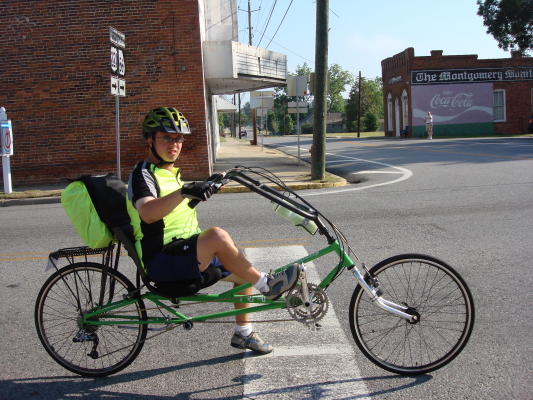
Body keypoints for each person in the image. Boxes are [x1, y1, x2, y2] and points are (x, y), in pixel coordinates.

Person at [126, 107, 300, 355]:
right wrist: (185, 191)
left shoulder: (171, 173)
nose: (174, 144)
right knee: (217, 236)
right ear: (150, 140)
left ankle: (244, 335)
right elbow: (149, 213)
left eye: (178, 139)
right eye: (166, 137)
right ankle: (267, 285)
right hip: (162, 259)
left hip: (185, 252)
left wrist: (205, 186)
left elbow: (177, 208)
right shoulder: (142, 174)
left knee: (242, 271)